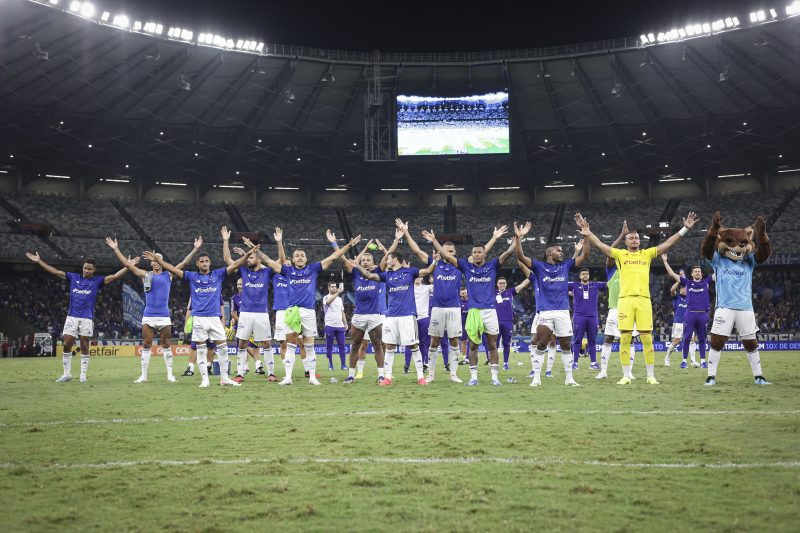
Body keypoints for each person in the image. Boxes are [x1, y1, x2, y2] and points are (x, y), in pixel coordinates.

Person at [575, 211, 699, 385]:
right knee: (625, 338)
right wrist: (587, 232)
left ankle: (650, 376)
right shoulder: (620, 255)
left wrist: (685, 229)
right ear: (626, 242)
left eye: (636, 238)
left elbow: (668, 243)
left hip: (643, 300)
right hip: (625, 301)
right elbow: (601, 245)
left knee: (646, 338)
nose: (634, 240)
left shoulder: (646, 254)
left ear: (640, 241)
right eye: (631, 238)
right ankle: (626, 376)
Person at [399, 220, 507, 382]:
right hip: (437, 308)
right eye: (445, 250)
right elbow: (416, 251)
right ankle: (431, 375)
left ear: (454, 252)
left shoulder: (460, 265)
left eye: (451, 251)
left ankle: (454, 374)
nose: (448, 253)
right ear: (441, 251)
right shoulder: (434, 264)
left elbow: (481, 253)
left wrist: (494, 238)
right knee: (434, 341)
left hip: (454, 308)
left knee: (454, 341)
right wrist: (406, 233)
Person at [144, 243, 258, 387]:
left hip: (215, 318)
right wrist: (158, 260)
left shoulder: (218, 274)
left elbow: (235, 264)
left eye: (207, 261)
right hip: (199, 318)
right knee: (201, 350)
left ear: (210, 263)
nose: (205, 263)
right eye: (202, 261)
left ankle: (225, 378)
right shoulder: (191, 276)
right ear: (197, 264)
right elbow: (172, 269)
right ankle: (205, 380)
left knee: (223, 348)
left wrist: (246, 255)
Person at [424, 229, 515, 387]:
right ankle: (473, 378)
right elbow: (447, 256)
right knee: (473, 345)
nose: (477, 255)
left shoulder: (492, 265)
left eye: (479, 252)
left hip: (490, 311)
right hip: (474, 312)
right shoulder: (466, 266)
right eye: (474, 253)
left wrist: (516, 240)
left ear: (484, 253)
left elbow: (507, 254)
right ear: (471, 255)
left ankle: (494, 377)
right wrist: (434, 241)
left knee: (492, 345)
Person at [26, 251, 135, 383]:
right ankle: (67, 374)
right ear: (82, 267)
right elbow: (55, 271)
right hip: (72, 317)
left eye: (89, 269)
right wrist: (39, 261)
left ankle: (83, 374)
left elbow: (114, 276)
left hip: (86, 318)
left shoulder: (97, 281)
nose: (86, 271)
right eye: (85, 268)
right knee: (67, 344)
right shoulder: (73, 277)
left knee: (84, 345)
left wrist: (128, 266)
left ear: (94, 270)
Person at [105, 235, 201, 383]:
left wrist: (195, 249)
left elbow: (184, 263)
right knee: (146, 344)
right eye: (154, 260)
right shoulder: (146, 275)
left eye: (158, 260)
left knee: (166, 344)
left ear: (162, 262)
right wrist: (116, 249)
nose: (156, 263)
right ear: (151, 263)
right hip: (148, 316)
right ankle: (143, 376)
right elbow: (127, 265)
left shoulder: (169, 274)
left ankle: (170, 375)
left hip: (163, 316)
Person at [273, 230, 360, 385]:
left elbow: (333, 257)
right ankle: (288, 377)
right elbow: (269, 261)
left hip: (308, 312)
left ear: (306, 259)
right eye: (297, 256)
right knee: (291, 345)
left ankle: (312, 377)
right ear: (293, 259)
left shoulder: (313, 268)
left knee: (309, 346)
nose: (300, 257)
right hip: (292, 311)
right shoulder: (288, 270)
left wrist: (347, 245)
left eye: (302, 255)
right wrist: (277, 243)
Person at [514, 221, 589, 387]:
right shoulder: (539, 267)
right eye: (558, 250)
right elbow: (520, 257)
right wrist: (519, 238)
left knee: (566, 345)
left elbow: (584, 256)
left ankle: (569, 379)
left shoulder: (565, 266)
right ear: (549, 252)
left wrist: (586, 236)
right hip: (545, 312)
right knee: (541, 343)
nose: (562, 252)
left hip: (563, 311)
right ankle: (536, 378)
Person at [701, 213, 771, 386]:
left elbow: (763, 255)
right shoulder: (718, 260)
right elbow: (706, 250)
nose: (739, 247)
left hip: (746, 308)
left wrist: (762, 237)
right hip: (724, 308)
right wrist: (713, 230)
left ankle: (759, 377)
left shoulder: (749, 261)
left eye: (743, 243)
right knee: (717, 342)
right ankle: (711, 377)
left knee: (751, 343)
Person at [353, 250, 435, 385]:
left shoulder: (410, 272)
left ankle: (420, 377)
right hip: (391, 316)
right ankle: (388, 378)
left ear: (395, 259)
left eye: (388, 259)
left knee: (413, 345)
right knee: (389, 346)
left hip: (407, 316)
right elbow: (369, 275)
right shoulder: (387, 275)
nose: (386, 261)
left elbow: (427, 271)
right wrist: (358, 266)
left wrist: (435, 261)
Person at [331, 235, 396, 384]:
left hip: (374, 316)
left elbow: (388, 256)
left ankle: (381, 375)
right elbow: (342, 257)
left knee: (378, 345)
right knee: (355, 345)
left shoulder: (378, 272)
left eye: (368, 260)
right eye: (363, 260)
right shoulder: (355, 273)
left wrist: (396, 240)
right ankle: (351, 376)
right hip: (359, 315)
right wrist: (334, 242)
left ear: (373, 263)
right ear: (360, 262)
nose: (365, 262)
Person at [224, 227, 285, 383]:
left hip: (261, 313)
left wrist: (279, 243)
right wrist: (226, 241)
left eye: (251, 258)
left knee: (266, 343)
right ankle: (240, 374)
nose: (248, 260)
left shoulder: (267, 272)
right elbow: (228, 260)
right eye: (247, 258)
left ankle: (271, 373)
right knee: (242, 343)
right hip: (245, 313)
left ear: (258, 260)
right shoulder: (244, 272)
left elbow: (280, 261)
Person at [663, 256, 713, 369]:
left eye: (699, 271)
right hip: (684, 318)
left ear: (701, 274)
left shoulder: (704, 283)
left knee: (696, 340)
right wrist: (665, 261)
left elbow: (717, 274)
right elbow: (672, 275)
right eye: (695, 271)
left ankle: (697, 361)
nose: (697, 273)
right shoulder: (682, 290)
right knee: (680, 340)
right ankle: (674, 359)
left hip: (699, 315)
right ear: (692, 274)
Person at [568, 268, 606, 371]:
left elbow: (609, 284)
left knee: (592, 341)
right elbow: (561, 285)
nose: (585, 275)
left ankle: (593, 363)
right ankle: (574, 363)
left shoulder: (595, 285)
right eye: (583, 274)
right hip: (579, 317)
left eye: (587, 274)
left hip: (592, 317)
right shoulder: (574, 285)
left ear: (589, 276)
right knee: (577, 341)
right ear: (580, 276)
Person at [495, 276, 530, 370]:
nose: (502, 284)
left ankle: (505, 363)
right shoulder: (493, 293)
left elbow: (522, 285)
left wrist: (531, 276)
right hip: (496, 322)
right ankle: (494, 364)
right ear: (497, 284)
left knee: (506, 343)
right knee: (495, 344)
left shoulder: (510, 292)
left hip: (508, 322)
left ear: (506, 284)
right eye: (500, 283)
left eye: (503, 283)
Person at [661, 255, 689, 368]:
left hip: (689, 321)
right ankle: (667, 357)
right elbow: (672, 290)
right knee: (676, 341)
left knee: (692, 340)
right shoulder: (677, 297)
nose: (684, 289)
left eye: (684, 288)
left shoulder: (689, 297)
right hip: (678, 322)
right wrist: (679, 280)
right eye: (682, 288)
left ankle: (692, 361)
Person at [323, 281, 348, 371]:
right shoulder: (326, 297)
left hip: (340, 326)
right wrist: (337, 293)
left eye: (335, 286)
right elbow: (328, 302)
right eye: (332, 287)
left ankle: (343, 365)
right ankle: (330, 365)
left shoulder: (340, 299)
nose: (334, 288)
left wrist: (345, 323)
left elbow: (342, 311)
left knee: (342, 346)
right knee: (329, 346)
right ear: (328, 288)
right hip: (330, 325)